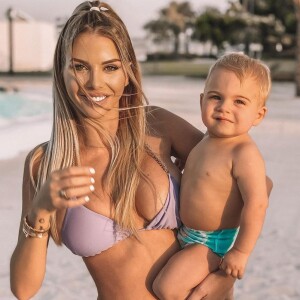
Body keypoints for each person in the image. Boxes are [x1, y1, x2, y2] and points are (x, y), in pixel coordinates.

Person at [9, 1, 237, 299]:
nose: (95, 82)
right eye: (79, 67)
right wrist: (39, 210)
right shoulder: (44, 164)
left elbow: (244, 183)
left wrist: (225, 271)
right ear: (61, 72)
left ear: (128, 70)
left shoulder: (158, 126)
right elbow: (23, 289)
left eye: (110, 67)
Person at [152, 53, 271, 300]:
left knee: (167, 289)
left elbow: (257, 203)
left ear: (258, 115)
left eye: (239, 101)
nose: (224, 107)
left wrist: (240, 252)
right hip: (187, 233)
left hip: (211, 243)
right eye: (216, 97)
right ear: (201, 101)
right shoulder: (206, 140)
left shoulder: (243, 152)